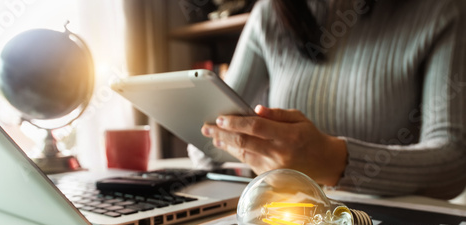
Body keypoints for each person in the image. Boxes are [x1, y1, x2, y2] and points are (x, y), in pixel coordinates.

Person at [195, 0, 466, 199]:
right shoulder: (269, 13)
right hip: (284, 214)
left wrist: (334, 161)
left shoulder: (441, 10)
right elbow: (207, 136)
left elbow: (454, 161)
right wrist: (210, 139)